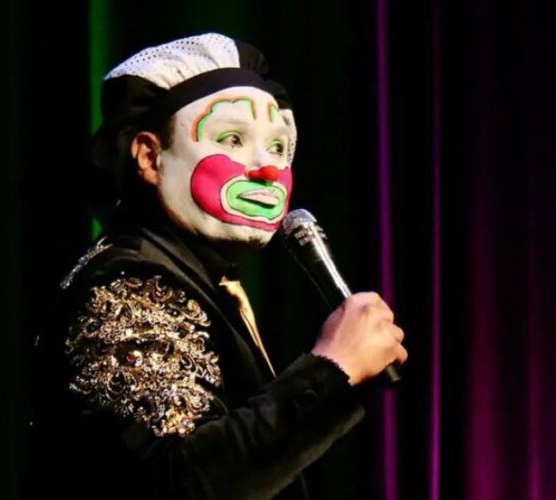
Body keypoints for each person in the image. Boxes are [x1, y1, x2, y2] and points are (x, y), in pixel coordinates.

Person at [31, 33, 407, 500]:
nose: (267, 169)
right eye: (232, 139)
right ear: (150, 156)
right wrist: (333, 368)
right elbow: (183, 482)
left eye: (278, 148)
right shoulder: (131, 283)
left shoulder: (197, 281)